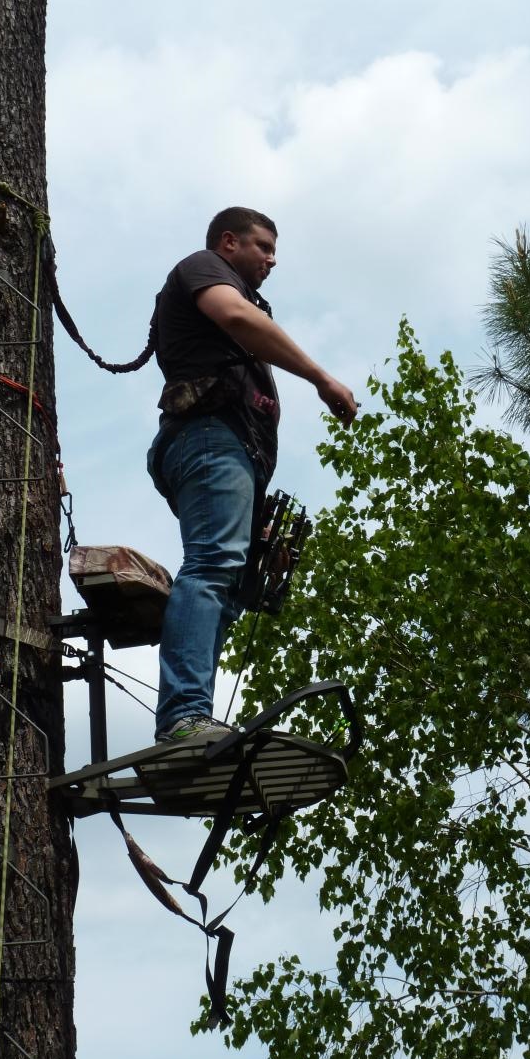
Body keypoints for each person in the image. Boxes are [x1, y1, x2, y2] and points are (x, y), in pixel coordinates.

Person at [147, 207, 358, 746]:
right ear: (228, 242)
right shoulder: (202, 269)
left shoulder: (236, 299)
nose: (271, 259)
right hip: (209, 440)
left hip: (231, 452)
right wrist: (319, 377)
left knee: (234, 585)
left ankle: (193, 716)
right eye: (262, 246)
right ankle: (183, 718)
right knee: (214, 565)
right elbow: (236, 318)